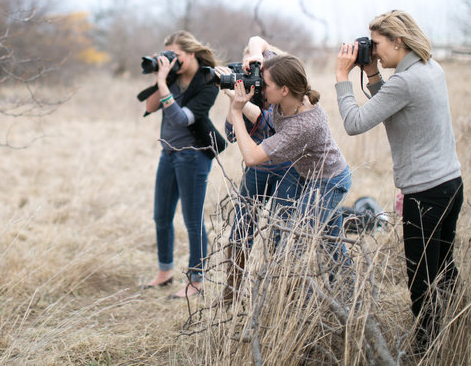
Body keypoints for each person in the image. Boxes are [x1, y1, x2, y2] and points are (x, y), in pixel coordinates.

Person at [335, 10, 463, 350]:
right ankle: (456, 332)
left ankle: (425, 348)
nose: (372, 51)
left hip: (425, 194)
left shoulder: (405, 82)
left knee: (421, 279)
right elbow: (393, 105)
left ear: (398, 42)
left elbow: (355, 122)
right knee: (444, 270)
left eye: (376, 45)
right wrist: (373, 73)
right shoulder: (429, 68)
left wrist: (342, 76)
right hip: (451, 183)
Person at [230, 37, 352, 275]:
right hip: (306, 174)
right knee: (329, 244)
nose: (259, 88)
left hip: (328, 181)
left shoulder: (302, 125)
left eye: (264, 84)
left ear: (283, 90)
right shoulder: (284, 81)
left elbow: (252, 157)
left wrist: (236, 110)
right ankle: (346, 295)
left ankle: (297, 297)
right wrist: (255, 55)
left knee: (294, 242)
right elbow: (258, 40)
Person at [214, 43, 302, 303]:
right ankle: (231, 293)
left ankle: (282, 296)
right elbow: (231, 135)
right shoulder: (246, 92)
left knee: (281, 231)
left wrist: (239, 101)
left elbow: (274, 125)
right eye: (244, 66)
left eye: (253, 66)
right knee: (242, 228)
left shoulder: (279, 87)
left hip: (289, 168)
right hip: (259, 169)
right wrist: (236, 103)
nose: (248, 71)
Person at [141, 31, 224, 299]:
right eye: (168, 55)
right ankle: (164, 272)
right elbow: (151, 105)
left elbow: (180, 118)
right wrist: (160, 78)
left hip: (193, 155)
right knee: (161, 216)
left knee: (192, 220)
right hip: (168, 153)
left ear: (190, 53)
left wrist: (165, 84)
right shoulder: (172, 78)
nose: (171, 61)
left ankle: (196, 281)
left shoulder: (208, 82)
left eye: (175, 55)